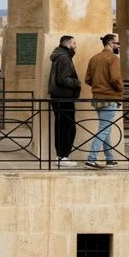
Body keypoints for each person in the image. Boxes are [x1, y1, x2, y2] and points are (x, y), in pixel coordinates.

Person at [82, 34, 125, 168]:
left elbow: (87, 79)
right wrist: (120, 90)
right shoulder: (113, 58)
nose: (118, 46)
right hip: (110, 98)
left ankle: (110, 158)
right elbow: (115, 79)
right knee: (104, 129)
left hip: (97, 98)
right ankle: (91, 158)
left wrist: (99, 87)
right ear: (111, 44)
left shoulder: (94, 58)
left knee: (105, 128)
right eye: (117, 44)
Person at [46, 35, 81, 163]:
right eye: (74, 43)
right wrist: (77, 82)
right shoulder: (64, 58)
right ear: (67, 45)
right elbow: (63, 79)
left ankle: (60, 156)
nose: (76, 45)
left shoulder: (60, 57)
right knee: (68, 127)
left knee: (61, 127)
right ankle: (64, 156)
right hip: (64, 98)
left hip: (58, 98)